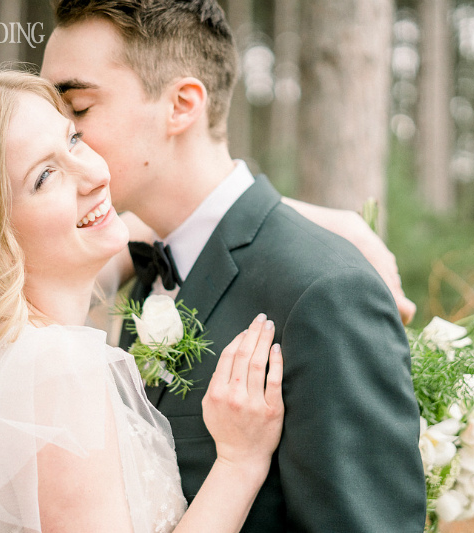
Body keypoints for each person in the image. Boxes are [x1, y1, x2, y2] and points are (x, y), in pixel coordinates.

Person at [41, 1, 427, 531]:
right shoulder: (143, 266)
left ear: (181, 104)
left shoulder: (324, 291)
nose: (58, 140)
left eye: (78, 110)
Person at [0, 70, 286, 533]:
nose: (95, 175)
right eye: (44, 177)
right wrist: (240, 462)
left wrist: (295, 218)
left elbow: (141, 232)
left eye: (74, 139)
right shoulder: (51, 374)